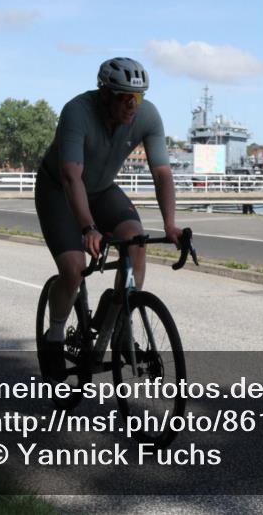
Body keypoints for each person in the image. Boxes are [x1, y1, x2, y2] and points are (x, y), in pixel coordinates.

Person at [35, 57, 181, 379]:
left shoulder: (148, 116)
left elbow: (163, 173)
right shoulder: (77, 112)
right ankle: (55, 335)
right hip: (59, 189)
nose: (132, 104)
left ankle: (120, 323)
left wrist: (170, 225)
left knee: (136, 241)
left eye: (138, 96)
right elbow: (72, 176)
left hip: (101, 189)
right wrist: (87, 227)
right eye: (124, 96)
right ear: (105, 94)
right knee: (73, 269)